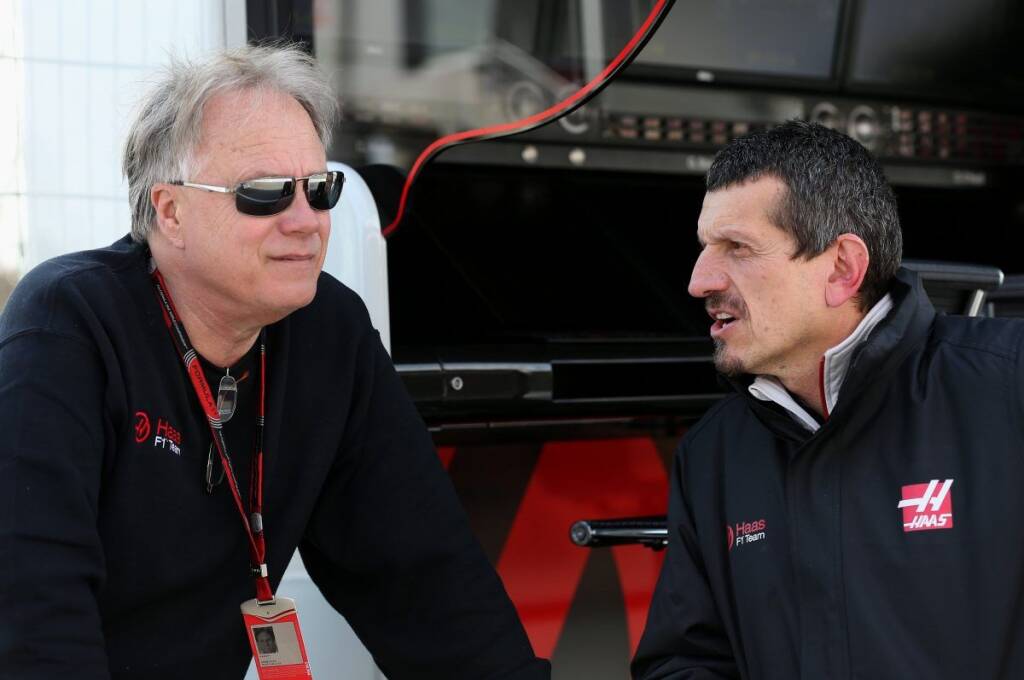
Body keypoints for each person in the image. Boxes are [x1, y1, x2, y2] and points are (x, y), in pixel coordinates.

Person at [0, 44, 549, 680]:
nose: (306, 222)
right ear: (171, 211)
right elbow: (31, 609)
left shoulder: (329, 333)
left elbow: (430, 583)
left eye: (319, 190)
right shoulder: (68, 324)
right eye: (264, 193)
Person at [632, 120, 1024, 679]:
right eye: (704, 249)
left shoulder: (1007, 384)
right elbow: (686, 661)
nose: (698, 281)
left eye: (737, 248)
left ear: (842, 268)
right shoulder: (713, 453)